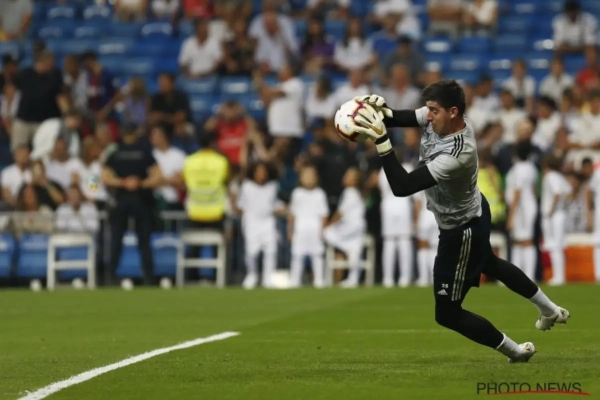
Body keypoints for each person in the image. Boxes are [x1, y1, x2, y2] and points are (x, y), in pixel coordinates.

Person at [350, 81, 569, 363]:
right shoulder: (441, 119)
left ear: (453, 111)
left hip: (461, 228)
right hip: (474, 210)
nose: (427, 116)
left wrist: (382, 141)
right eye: (428, 109)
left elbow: (402, 186)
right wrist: (375, 112)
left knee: (447, 313)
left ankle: (516, 352)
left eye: (433, 110)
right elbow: (398, 117)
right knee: (489, 262)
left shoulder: (458, 153)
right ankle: (549, 310)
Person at [101, 124, 163, 286]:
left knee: (117, 239)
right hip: (141, 199)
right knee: (144, 241)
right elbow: (158, 176)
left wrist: (122, 183)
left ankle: (110, 277)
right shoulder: (144, 152)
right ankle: (149, 277)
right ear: (136, 134)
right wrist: (140, 183)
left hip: (121, 199)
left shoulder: (114, 153)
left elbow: (103, 178)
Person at [236, 161, 284, 289]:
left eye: (264, 171)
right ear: (253, 173)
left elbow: (275, 204)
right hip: (252, 223)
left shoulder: (273, 187)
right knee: (251, 252)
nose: (262, 174)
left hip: (268, 223)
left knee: (271, 250)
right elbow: (241, 206)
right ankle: (252, 275)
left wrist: (281, 209)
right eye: (259, 171)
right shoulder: (247, 186)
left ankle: (268, 277)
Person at [378, 149, 416, 288]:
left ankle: (388, 278)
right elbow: (415, 192)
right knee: (404, 241)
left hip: (388, 205)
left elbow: (381, 189)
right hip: (403, 205)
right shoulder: (408, 167)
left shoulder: (384, 169)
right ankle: (405, 278)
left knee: (390, 242)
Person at [323, 167, 366, 288]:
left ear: (355, 181)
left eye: (348, 176)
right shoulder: (357, 193)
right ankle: (353, 279)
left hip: (350, 228)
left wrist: (328, 224)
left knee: (326, 233)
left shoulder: (349, 192)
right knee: (355, 253)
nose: (344, 178)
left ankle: (345, 247)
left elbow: (340, 213)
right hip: (358, 228)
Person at [288, 164, 329, 288]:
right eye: (306, 175)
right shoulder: (297, 193)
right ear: (300, 178)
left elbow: (323, 214)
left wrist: (323, 229)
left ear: (316, 178)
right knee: (297, 256)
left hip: (315, 229)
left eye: (311, 175)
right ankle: (295, 281)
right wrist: (290, 231)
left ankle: (319, 281)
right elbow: (292, 214)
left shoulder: (320, 194)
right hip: (300, 229)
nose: (309, 178)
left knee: (317, 255)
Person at [505, 141, 539, 281]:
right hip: (528, 206)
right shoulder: (532, 168)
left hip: (521, 208)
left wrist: (511, 216)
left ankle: (528, 276)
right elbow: (534, 188)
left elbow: (517, 193)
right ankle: (518, 274)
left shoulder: (519, 169)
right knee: (518, 241)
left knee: (526, 241)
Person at [540, 155, 572, 286]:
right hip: (561, 214)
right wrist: (563, 205)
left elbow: (557, 193)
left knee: (554, 246)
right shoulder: (560, 177)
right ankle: (559, 276)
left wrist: (552, 209)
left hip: (554, 216)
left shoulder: (550, 176)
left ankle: (558, 277)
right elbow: (569, 192)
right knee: (557, 245)